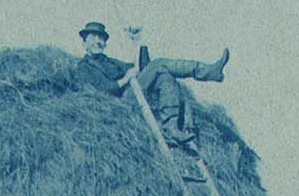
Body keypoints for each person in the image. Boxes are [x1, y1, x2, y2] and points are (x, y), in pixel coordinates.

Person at [73, 21, 229, 148]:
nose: (98, 42)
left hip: (132, 93)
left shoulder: (111, 61)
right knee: (160, 63)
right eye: (93, 38)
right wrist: (124, 79)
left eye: (101, 38)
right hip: (118, 103)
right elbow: (99, 92)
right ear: (84, 43)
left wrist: (139, 43)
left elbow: (145, 69)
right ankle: (207, 71)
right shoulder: (83, 67)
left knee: (164, 76)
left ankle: (171, 126)